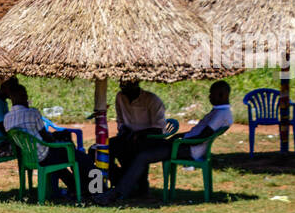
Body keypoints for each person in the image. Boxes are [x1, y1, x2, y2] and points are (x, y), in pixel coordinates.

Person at [96, 80, 233, 205]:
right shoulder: (219, 112)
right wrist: (179, 137)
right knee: (135, 152)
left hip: (189, 150)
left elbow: (204, 135)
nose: (209, 97)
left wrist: (180, 141)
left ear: (222, 94)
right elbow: (197, 133)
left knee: (143, 156)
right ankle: (125, 186)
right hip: (184, 145)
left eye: (212, 94)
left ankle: (119, 192)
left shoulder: (222, 114)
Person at [3, 83, 88, 197]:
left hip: (27, 156)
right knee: (76, 154)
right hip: (44, 155)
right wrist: (58, 142)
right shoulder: (32, 113)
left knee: (61, 154)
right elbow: (46, 137)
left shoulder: (7, 118)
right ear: (24, 97)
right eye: (26, 96)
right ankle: (92, 186)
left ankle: (76, 187)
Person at [112, 80, 166, 192]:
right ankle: (119, 179)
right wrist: (124, 130)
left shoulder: (152, 100)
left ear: (136, 84)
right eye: (122, 85)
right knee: (100, 149)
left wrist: (138, 134)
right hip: (128, 137)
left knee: (132, 149)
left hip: (150, 139)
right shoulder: (120, 97)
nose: (124, 89)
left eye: (128, 86)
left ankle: (137, 185)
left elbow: (158, 129)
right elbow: (120, 120)